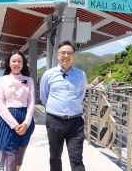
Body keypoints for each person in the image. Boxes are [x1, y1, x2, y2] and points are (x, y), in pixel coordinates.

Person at [0, 50, 35, 171]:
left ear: (23, 64)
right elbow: (0, 104)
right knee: (10, 152)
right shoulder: (2, 80)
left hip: (26, 121)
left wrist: (26, 123)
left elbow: (31, 103)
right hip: (8, 121)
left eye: (19, 61)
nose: (16, 63)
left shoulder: (29, 80)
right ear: (9, 63)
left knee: (19, 153)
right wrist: (14, 125)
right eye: (14, 61)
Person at [40, 41, 87, 171]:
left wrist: (72, 106)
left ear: (73, 56)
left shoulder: (81, 74)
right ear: (57, 55)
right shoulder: (48, 74)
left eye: (69, 53)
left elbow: (82, 93)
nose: (66, 55)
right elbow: (44, 96)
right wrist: (56, 109)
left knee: (77, 158)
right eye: (63, 53)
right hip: (55, 121)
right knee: (55, 156)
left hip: (76, 122)